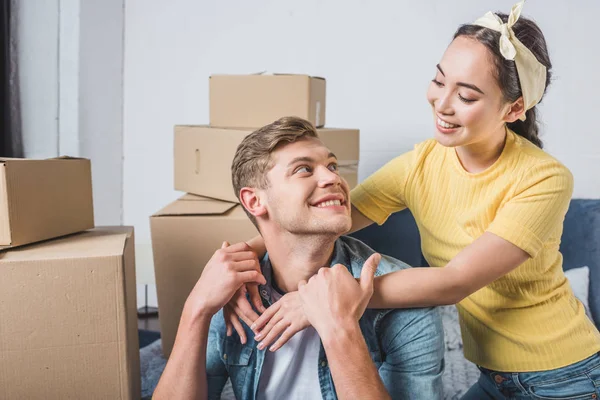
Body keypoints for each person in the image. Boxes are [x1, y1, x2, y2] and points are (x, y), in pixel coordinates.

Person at [228, 2, 600, 398]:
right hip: (494, 379)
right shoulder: (422, 162)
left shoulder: (544, 178)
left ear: (514, 108)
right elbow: (329, 218)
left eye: (467, 96)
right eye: (439, 81)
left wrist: (326, 301)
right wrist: (241, 262)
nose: (441, 103)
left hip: (564, 375)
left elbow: (454, 282)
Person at [153, 117, 444, 400]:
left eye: (332, 165)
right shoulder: (231, 291)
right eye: (304, 170)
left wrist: (339, 328)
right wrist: (196, 309)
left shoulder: (404, 303)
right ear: (255, 201)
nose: (334, 178)